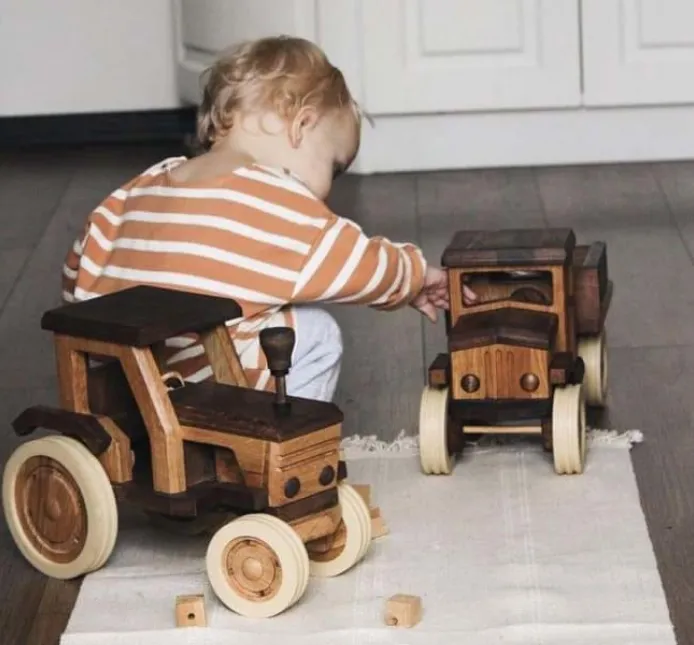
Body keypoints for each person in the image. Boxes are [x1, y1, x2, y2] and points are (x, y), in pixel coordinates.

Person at [61, 35, 474, 402]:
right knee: (313, 330)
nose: (327, 188)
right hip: (204, 389)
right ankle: (289, 445)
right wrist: (416, 275)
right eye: (333, 167)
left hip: (120, 388)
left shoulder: (135, 190)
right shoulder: (273, 199)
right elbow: (356, 261)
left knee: (263, 297)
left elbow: (76, 280)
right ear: (301, 126)